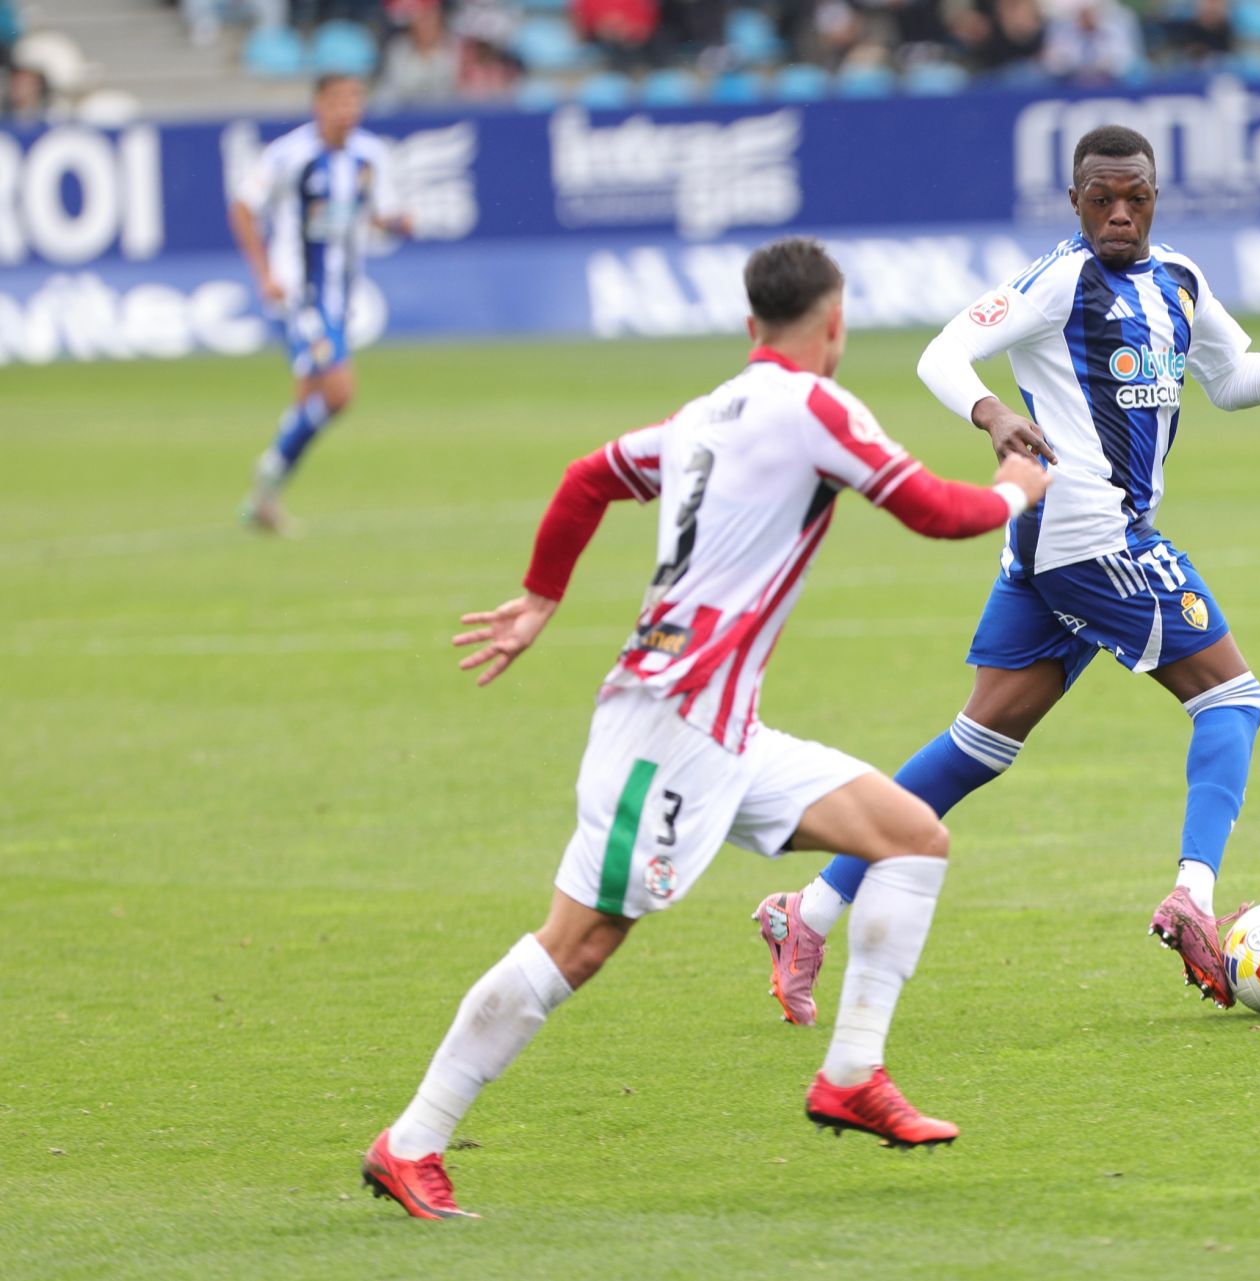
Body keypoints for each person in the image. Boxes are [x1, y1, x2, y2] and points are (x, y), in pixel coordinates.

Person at [360, 238, 1050, 1219]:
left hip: (725, 728)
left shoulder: (700, 416)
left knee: (910, 837)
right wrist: (1020, 486)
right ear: (835, 324)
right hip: (668, 727)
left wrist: (539, 597)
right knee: (581, 943)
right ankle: (412, 1139)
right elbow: (935, 512)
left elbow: (587, 475)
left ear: (749, 325)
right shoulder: (815, 406)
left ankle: (851, 1074)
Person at [754, 125, 1260, 1025]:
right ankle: (1191, 892)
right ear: (1074, 201)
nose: (1117, 213)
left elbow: (1232, 379)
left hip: (1050, 549)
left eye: (1133, 197)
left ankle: (809, 912)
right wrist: (991, 413)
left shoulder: (1179, 281)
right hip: (1095, 537)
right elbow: (940, 354)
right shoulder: (1058, 280)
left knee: (979, 743)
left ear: (1155, 196)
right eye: (1099, 198)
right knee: (1233, 699)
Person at [229, 75, 412, 534]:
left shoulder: (371, 156)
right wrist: (265, 275)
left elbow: (375, 216)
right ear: (318, 105)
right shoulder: (289, 156)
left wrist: (397, 223)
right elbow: (243, 208)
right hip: (302, 293)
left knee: (309, 399)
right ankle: (266, 474)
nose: (347, 109)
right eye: (338, 100)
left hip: (344, 294)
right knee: (339, 392)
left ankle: (264, 498)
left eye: (355, 99)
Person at [376, 0, 459, 108]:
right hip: (407, 115)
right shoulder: (398, 50)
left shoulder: (455, 48)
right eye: (421, 21)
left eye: (430, 20)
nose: (426, 26)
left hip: (449, 113)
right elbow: (389, 90)